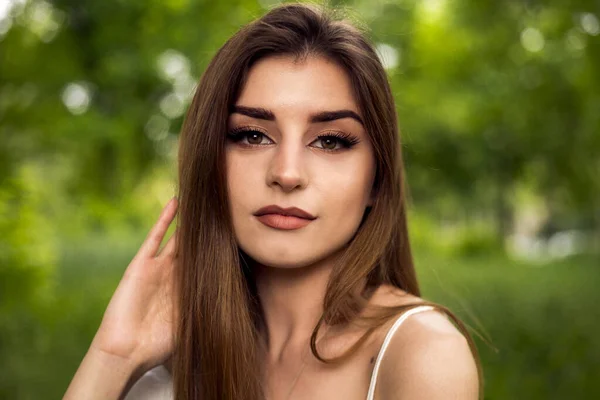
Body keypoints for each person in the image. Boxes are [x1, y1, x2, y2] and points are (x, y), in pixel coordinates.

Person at [64, 2, 481, 399]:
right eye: (252, 135)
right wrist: (114, 356)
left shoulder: (422, 352)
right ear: (211, 161)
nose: (286, 173)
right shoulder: (170, 353)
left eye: (331, 141)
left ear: (377, 180)